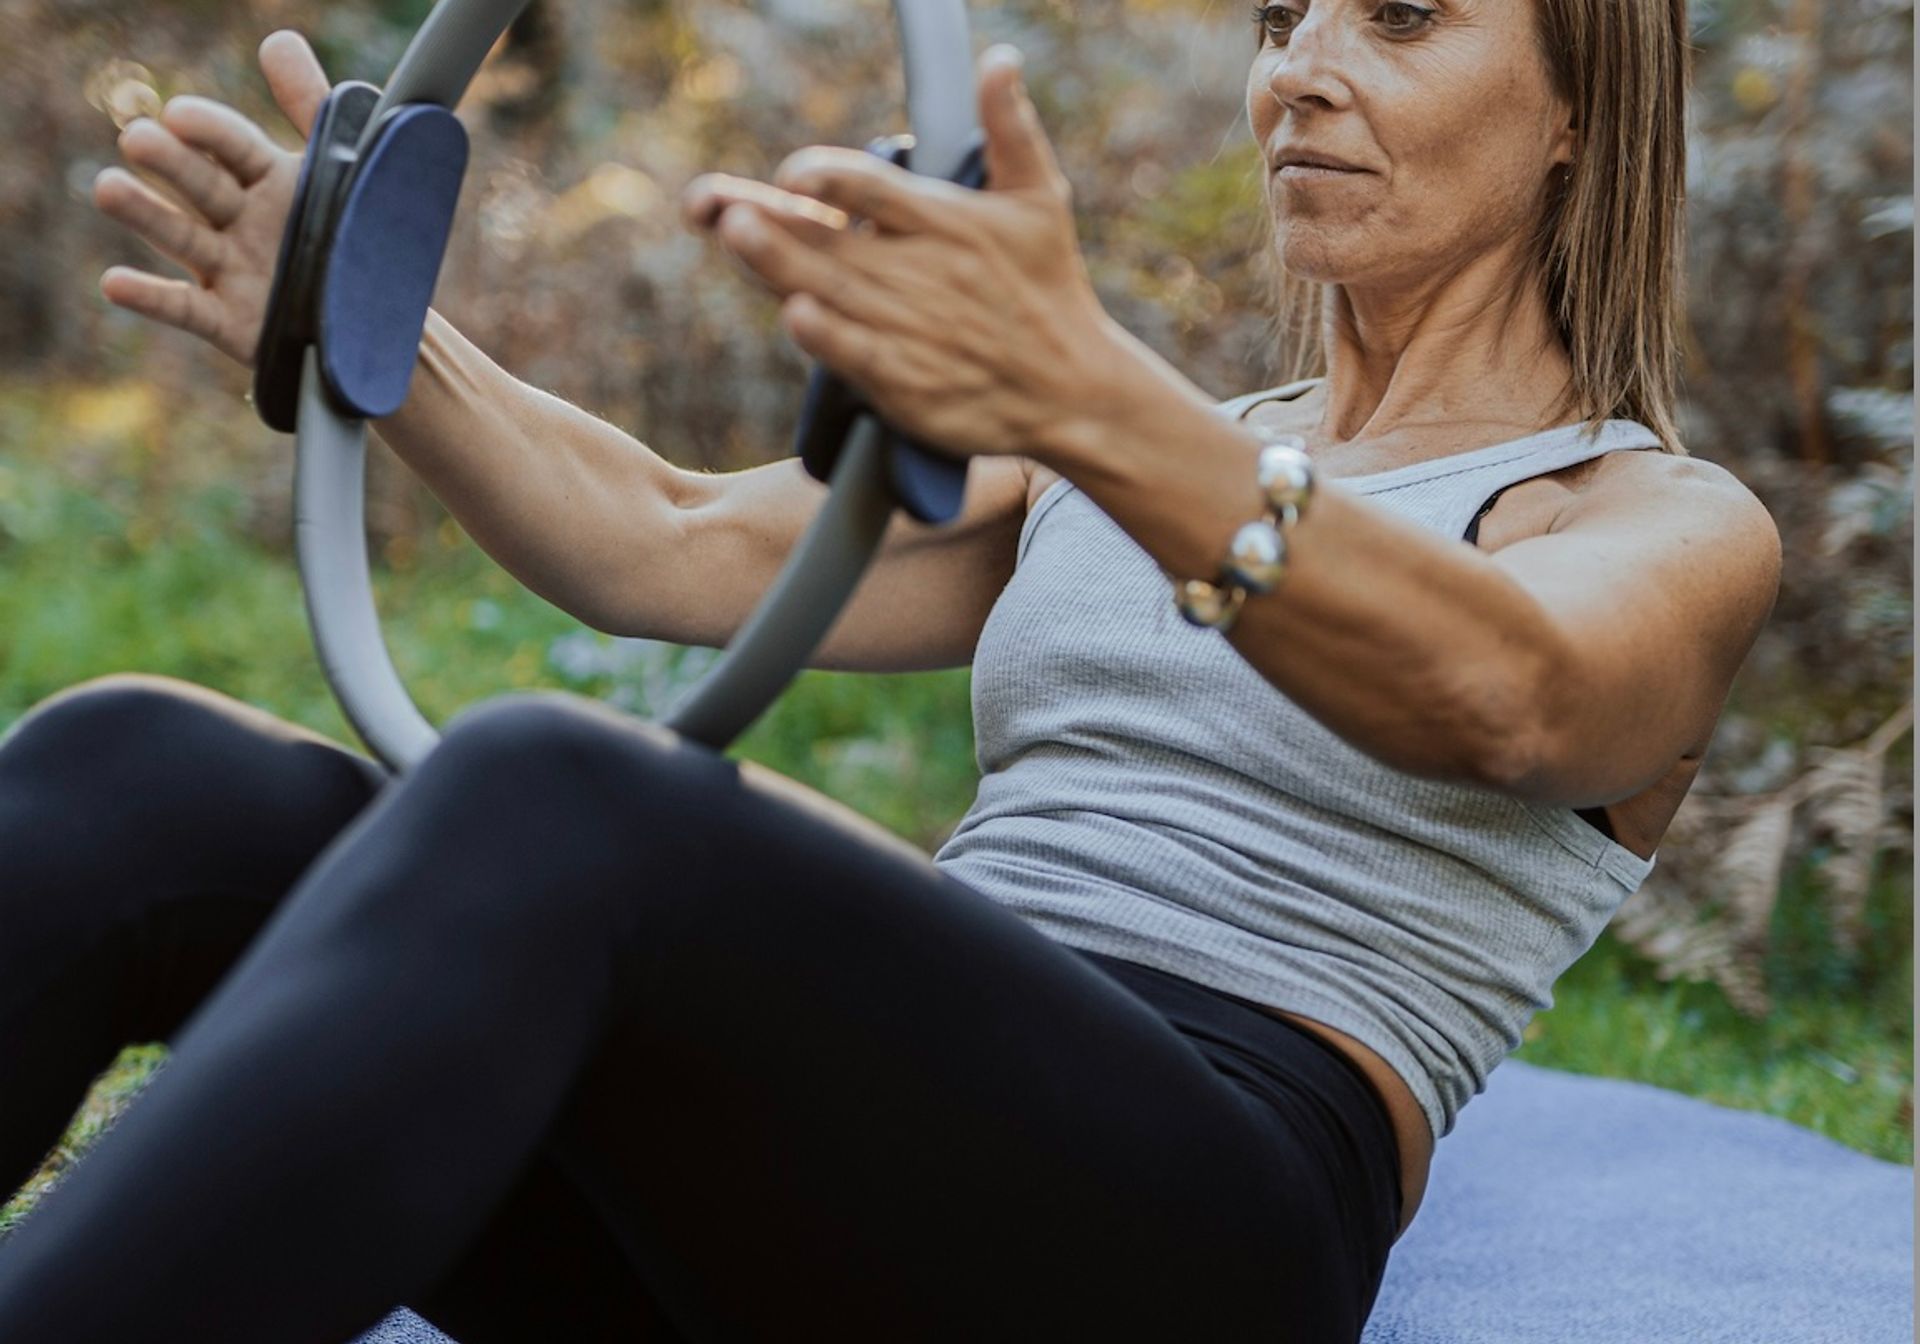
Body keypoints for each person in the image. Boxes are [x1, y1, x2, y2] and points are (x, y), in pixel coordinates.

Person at [0, 4, 1779, 1341]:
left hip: (1195, 1231)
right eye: (1276, 14)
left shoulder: (1655, 518)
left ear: (1579, 105)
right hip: (844, 1185)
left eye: (1399, 12)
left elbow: (1512, 694)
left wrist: (1088, 391)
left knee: (568, 796)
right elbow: (665, 535)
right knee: (140, 769)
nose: (1300, 63)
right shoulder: (1135, 448)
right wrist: (365, 322)